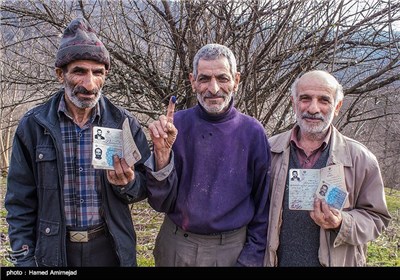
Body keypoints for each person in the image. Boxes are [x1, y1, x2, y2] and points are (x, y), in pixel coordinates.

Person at [5, 18, 151, 267]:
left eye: (98, 73)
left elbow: (146, 186)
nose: (89, 84)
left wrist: (128, 183)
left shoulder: (122, 123)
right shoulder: (33, 126)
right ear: (60, 74)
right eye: (79, 72)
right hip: (55, 250)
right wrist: (24, 258)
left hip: (110, 249)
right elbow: (20, 202)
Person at [145, 43, 271, 267]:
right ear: (193, 81)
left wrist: (251, 258)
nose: (213, 89)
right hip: (176, 245)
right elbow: (159, 202)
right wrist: (161, 155)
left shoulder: (252, 132)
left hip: (231, 250)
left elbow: (263, 207)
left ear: (236, 80)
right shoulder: (175, 126)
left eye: (222, 78)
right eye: (204, 79)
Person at [264, 70, 391, 267]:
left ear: (337, 106)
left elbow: (377, 218)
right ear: (294, 102)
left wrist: (342, 223)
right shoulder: (269, 151)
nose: (313, 108)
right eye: (305, 98)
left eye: (324, 100)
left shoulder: (361, 159)